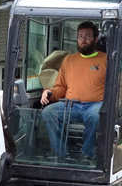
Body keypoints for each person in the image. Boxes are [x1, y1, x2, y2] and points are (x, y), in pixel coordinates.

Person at [40, 21, 105, 160]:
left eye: (87, 36)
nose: (83, 40)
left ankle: (87, 155)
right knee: (48, 112)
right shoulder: (69, 60)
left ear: (96, 39)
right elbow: (61, 87)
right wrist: (49, 93)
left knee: (95, 117)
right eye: (80, 36)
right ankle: (61, 154)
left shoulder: (105, 59)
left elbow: (117, 88)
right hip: (71, 105)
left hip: (95, 105)